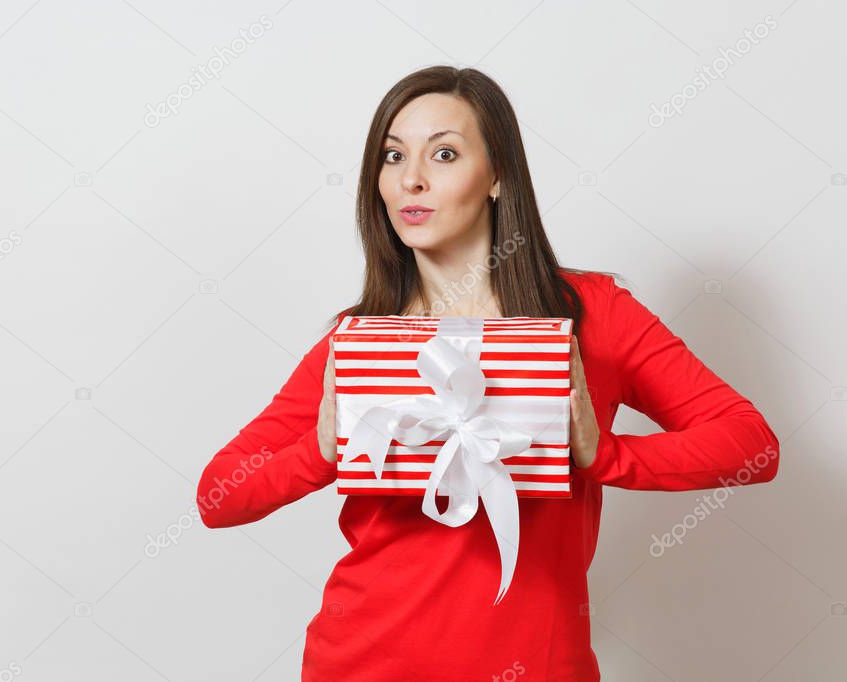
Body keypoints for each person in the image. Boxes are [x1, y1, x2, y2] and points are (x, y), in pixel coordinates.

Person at [196, 65, 780, 681]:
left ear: (497, 174)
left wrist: (601, 454)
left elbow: (751, 444)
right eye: (393, 157)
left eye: (443, 154)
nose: (411, 179)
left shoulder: (593, 317)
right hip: (361, 665)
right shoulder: (359, 340)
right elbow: (219, 496)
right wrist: (321, 448)